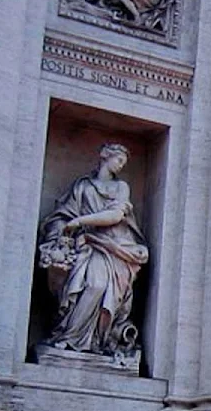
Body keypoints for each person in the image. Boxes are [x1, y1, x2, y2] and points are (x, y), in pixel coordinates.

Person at [38, 142, 148, 356]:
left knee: (97, 285)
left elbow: (115, 216)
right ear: (104, 156)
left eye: (124, 163)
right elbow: (63, 215)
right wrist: (64, 229)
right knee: (79, 284)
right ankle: (69, 336)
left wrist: (79, 222)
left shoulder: (121, 187)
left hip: (113, 247)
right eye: (118, 160)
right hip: (85, 244)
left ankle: (91, 340)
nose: (120, 165)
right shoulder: (82, 187)